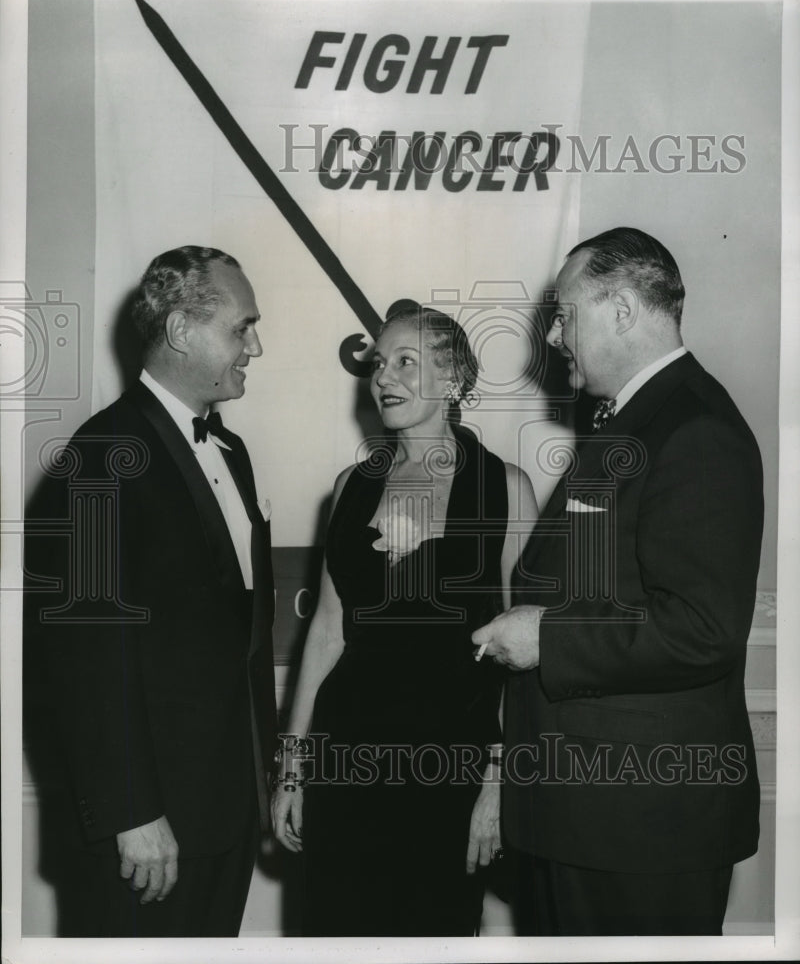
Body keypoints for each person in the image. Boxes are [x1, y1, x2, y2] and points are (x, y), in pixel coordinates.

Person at [473, 227, 763, 936]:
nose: (553, 333)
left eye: (566, 313)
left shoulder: (693, 429)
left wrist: (547, 636)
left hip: (638, 830)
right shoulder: (629, 422)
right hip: (585, 820)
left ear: (624, 311)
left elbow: (705, 630)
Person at [24, 245, 277, 937]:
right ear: (180, 332)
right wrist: (131, 812)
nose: (255, 346)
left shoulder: (233, 454)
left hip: (225, 809)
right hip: (149, 827)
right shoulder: (102, 455)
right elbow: (83, 657)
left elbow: (237, 640)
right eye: (241, 327)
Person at [271, 305, 537, 936]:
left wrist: (500, 786)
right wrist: (293, 767)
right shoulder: (352, 486)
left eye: (406, 362)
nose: (384, 376)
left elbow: (526, 653)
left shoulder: (506, 487)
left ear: (453, 380)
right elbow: (328, 632)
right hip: (346, 758)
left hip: (452, 768)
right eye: (379, 363)